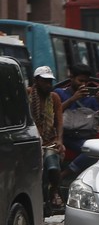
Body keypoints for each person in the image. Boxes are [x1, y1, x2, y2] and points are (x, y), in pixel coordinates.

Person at [57, 65, 99, 175]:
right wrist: (72, 99)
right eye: (80, 81)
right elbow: (53, 114)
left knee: (96, 152)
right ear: (71, 78)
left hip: (82, 138)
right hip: (62, 135)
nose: (83, 85)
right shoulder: (59, 93)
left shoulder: (92, 99)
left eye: (86, 82)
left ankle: (64, 174)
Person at [28, 66, 65, 212]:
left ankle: (54, 190)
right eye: (45, 81)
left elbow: (60, 121)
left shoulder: (54, 97)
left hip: (49, 141)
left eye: (50, 81)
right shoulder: (28, 94)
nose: (49, 85)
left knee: (53, 167)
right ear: (36, 81)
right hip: (32, 141)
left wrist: (60, 140)